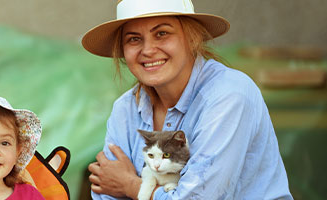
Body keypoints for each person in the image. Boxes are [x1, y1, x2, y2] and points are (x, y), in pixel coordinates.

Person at [80, 0, 292, 199]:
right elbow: (105, 193)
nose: (148, 50)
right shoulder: (125, 109)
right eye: (134, 39)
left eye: (162, 33)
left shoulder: (228, 96)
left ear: (192, 38)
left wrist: (131, 186)